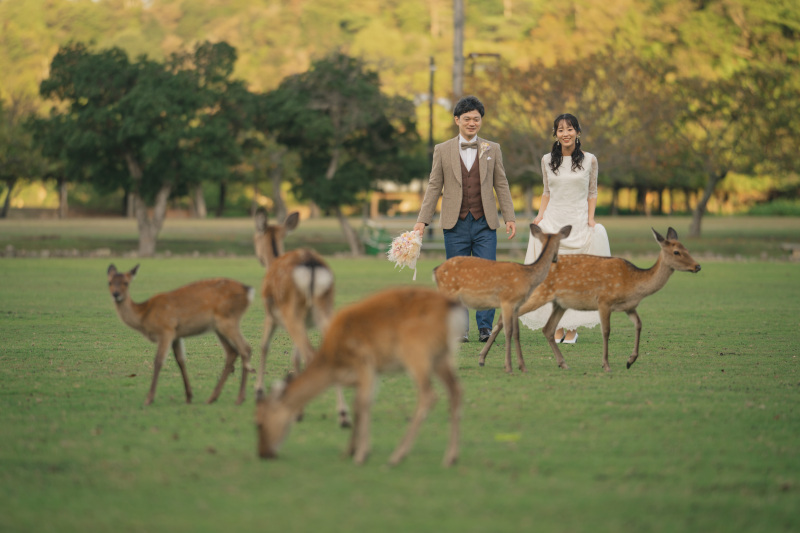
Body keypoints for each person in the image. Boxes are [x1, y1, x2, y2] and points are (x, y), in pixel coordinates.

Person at [414, 95, 516, 343]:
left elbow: (500, 183)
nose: (472, 123)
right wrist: (422, 220)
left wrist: (509, 216)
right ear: (457, 120)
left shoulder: (493, 149)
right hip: (454, 223)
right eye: (467, 119)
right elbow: (434, 186)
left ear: (481, 120)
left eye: (476, 119)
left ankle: (484, 328)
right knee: (457, 278)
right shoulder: (442, 149)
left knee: (487, 276)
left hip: (485, 223)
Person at [519, 113, 610, 343]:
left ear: (578, 132)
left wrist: (591, 220)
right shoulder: (546, 160)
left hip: (578, 224)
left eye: (570, 129)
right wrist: (539, 216)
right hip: (553, 223)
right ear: (555, 134)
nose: (566, 133)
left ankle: (572, 328)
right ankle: (556, 325)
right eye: (561, 130)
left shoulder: (590, 160)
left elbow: (592, 192)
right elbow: (547, 192)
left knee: (576, 278)